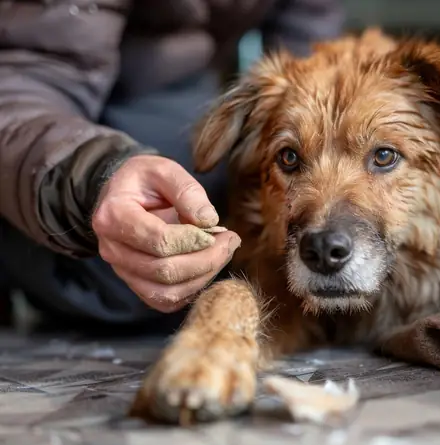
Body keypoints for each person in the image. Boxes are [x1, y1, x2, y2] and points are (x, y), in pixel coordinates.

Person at [0, 0, 344, 328]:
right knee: (144, 258)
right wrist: (97, 174)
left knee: (220, 228)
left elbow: (310, 45)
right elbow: (27, 82)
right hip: (38, 89)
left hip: (179, 74)